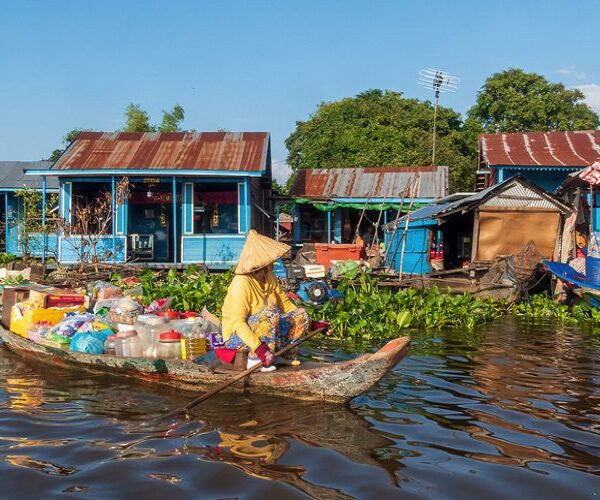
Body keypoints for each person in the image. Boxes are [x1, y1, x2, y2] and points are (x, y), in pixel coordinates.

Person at [221, 230, 310, 371]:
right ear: (260, 263)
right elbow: (238, 323)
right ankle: (254, 359)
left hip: (266, 331)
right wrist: (259, 349)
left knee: (301, 315)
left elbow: (286, 306)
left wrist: (310, 323)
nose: (273, 264)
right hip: (238, 337)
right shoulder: (241, 283)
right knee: (270, 313)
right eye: (270, 261)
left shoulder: (270, 276)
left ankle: (283, 354)